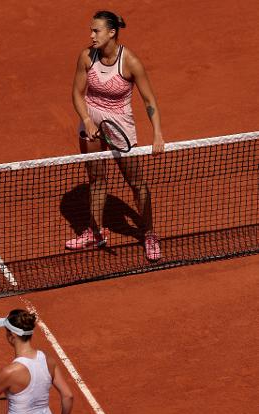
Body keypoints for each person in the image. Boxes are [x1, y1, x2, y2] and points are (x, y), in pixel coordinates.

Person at [66, 10, 165, 261]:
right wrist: (87, 120)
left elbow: (149, 100)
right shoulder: (87, 57)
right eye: (91, 30)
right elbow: (77, 94)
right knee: (97, 179)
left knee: (136, 183)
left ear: (111, 33)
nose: (91, 35)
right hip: (92, 122)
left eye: (96, 31)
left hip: (120, 124)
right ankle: (95, 231)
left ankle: (149, 233)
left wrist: (157, 134)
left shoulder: (129, 62)